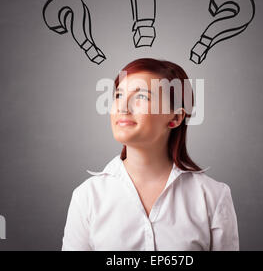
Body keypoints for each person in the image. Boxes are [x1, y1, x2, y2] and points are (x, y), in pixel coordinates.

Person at [61, 57, 239, 251]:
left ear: (176, 118)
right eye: (119, 95)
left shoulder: (212, 197)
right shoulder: (87, 197)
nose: (122, 107)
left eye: (142, 97)